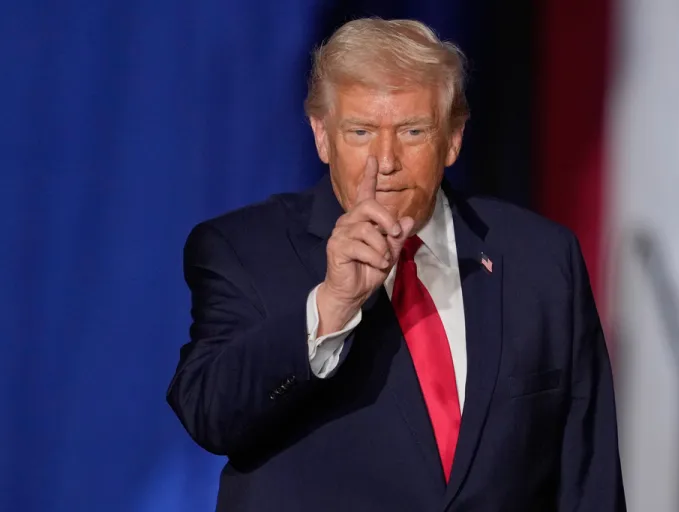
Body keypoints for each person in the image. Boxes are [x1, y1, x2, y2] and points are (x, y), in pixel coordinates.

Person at [167, 17, 625, 512]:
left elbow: (588, 476)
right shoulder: (242, 250)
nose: (385, 161)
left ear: (452, 137)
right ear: (322, 136)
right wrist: (331, 306)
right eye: (361, 131)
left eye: (412, 130)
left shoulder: (541, 259)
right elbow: (209, 414)